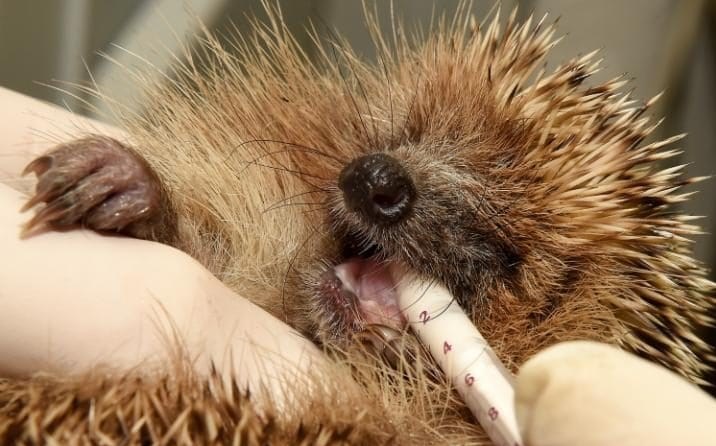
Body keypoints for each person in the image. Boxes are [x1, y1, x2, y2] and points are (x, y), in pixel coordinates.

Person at [1, 86, 714, 445]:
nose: (382, 172)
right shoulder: (276, 229)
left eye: (499, 257)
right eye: (409, 137)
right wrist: (152, 205)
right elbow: (230, 249)